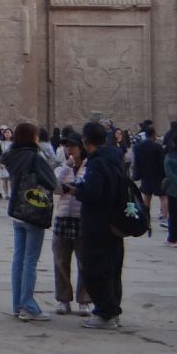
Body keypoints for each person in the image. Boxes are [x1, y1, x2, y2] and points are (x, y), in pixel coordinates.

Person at [3, 123, 58, 321]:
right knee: (30, 261)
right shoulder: (34, 157)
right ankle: (28, 305)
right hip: (33, 210)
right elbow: (52, 182)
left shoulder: (12, 156)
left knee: (18, 259)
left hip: (17, 210)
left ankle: (17, 304)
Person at [76, 120, 127, 330]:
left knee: (94, 268)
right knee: (112, 268)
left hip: (98, 223)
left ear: (85, 140)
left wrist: (77, 190)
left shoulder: (97, 161)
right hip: (115, 222)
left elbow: (93, 193)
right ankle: (113, 311)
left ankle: (105, 313)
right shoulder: (115, 157)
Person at [52, 133, 92, 316]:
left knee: (84, 261)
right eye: (67, 146)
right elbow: (55, 188)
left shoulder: (90, 166)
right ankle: (63, 299)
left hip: (82, 218)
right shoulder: (64, 167)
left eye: (73, 146)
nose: (69, 150)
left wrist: (74, 189)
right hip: (63, 217)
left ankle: (84, 300)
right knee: (61, 261)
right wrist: (65, 168)